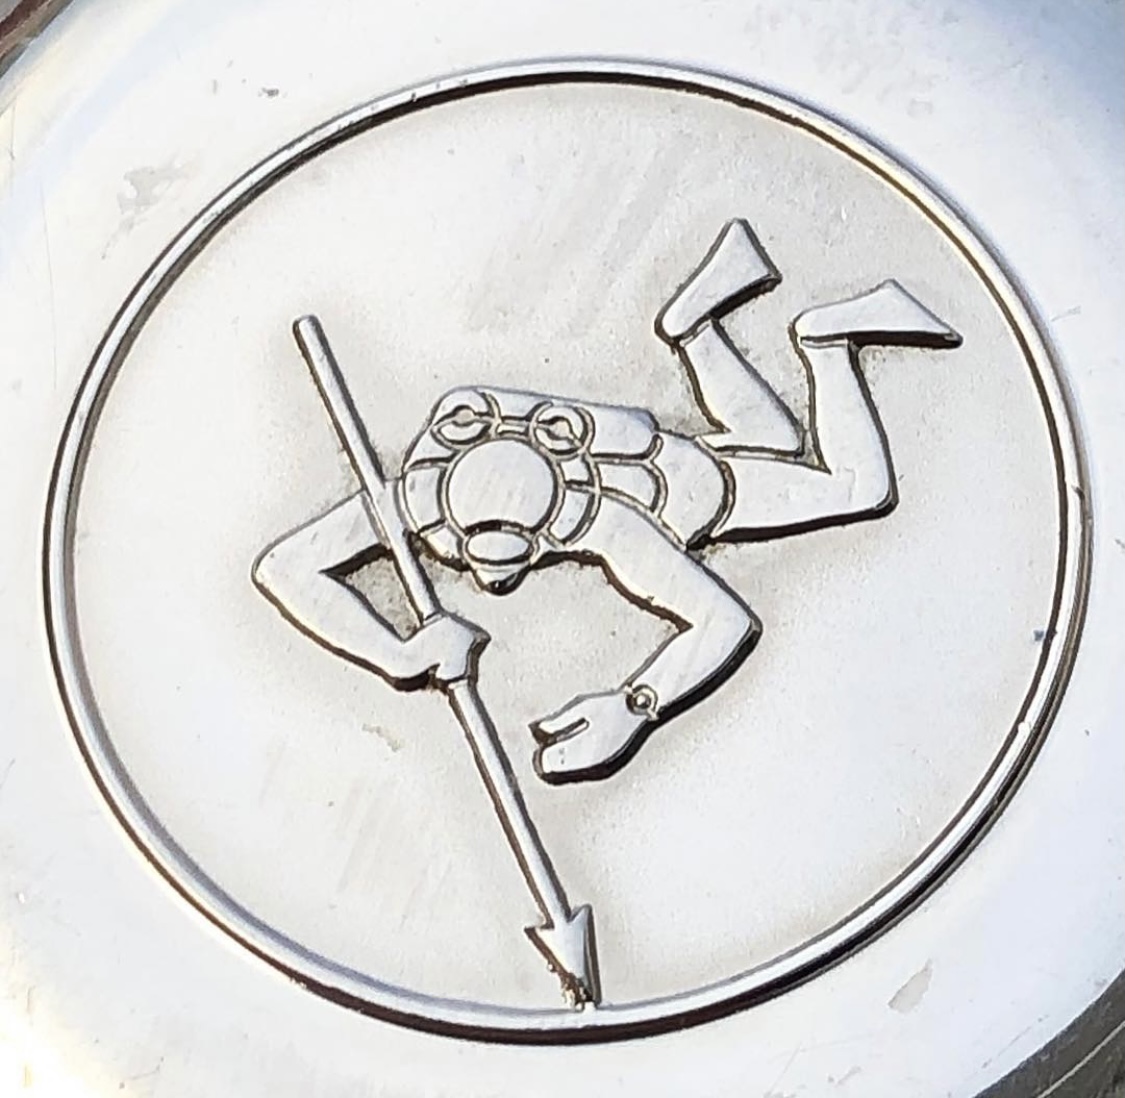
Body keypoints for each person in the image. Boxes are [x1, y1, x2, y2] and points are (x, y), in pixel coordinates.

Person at [253, 220, 960, 783]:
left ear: (549, 526)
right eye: (477, 552)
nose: (493, 575)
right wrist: (395, 654)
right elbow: (285, 567)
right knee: (769, 435)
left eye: (512, 551)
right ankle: (695, 326)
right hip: (679, 458)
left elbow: (723, 619)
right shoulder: (416, 499)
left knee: (855, 489)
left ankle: (827, 341)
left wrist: (634, 707)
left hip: (705, 495)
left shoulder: (608, 525)